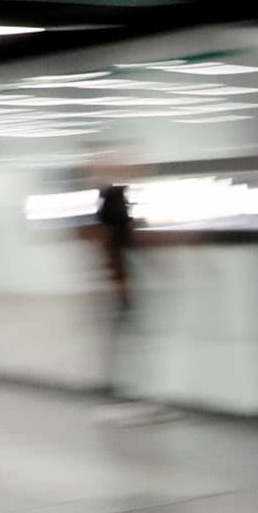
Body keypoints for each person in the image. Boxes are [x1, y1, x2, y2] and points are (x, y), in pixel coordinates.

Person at [86, 167, 178, 426]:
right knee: (129, 343)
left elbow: (127, 250)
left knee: (123, 343)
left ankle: (122, 395)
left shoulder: (109, 229)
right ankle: (127, 396)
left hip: (118, 288)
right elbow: (130, 251)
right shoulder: (116, 229)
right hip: (121, 289)